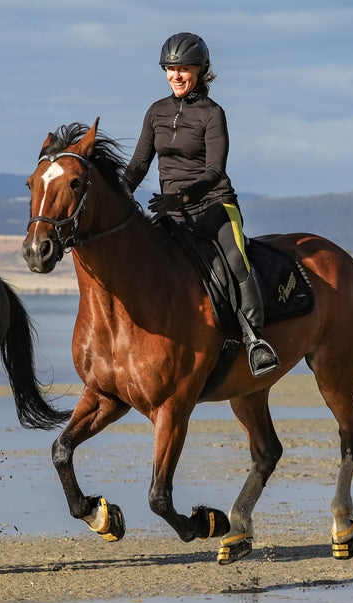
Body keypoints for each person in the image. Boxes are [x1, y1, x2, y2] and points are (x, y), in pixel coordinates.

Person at [121, 33, 280, 377]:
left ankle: (256, 341)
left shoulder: (213, 114)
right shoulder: (156, 112)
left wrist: (181, 197)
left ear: (200, 70)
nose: (176, 75)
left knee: (236, 260)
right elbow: (138, 165)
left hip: (214, 206)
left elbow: (214, 171)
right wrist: (120, 192)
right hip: (171, 213)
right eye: (170, 69)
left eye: (183, 69)